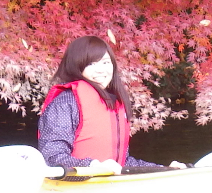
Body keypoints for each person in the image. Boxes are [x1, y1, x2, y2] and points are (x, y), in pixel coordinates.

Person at [38, 35, 182, 174]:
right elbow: (52, 156)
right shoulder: (66, 102)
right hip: (74, 187)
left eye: (106, 62)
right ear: (76, 66)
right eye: (91, 64)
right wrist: (94, 166)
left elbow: (123, 163)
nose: (101, 70)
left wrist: (164, 169)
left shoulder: (113, 103)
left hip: (107, 186)